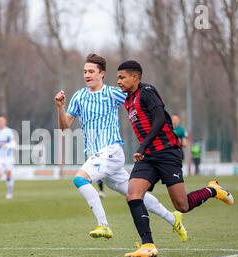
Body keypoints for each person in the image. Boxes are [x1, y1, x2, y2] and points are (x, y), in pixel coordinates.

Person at [54, 53, 187, 241]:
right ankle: (173, 218)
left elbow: (137, 96)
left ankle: (103, 225)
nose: (87, 75)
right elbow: (64, 127)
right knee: (134, 193)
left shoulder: (113, 93)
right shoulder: (78, 96)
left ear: (102, 74)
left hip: (111, 150)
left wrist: (155, 120)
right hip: (95, 155)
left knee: (80, 179)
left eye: (91, 71)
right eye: (85, 71)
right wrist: (60, 107)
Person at [117, 60, 234, 257]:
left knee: (182, 206)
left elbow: (160, 118)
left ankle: (213, 190)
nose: (118, 81)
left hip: (167, 153)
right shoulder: (128, 99)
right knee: (133, 195)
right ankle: (148, 245)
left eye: (122, 77)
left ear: (135, 77)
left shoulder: (147, 91)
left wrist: (143, 145)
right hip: (147, 157)